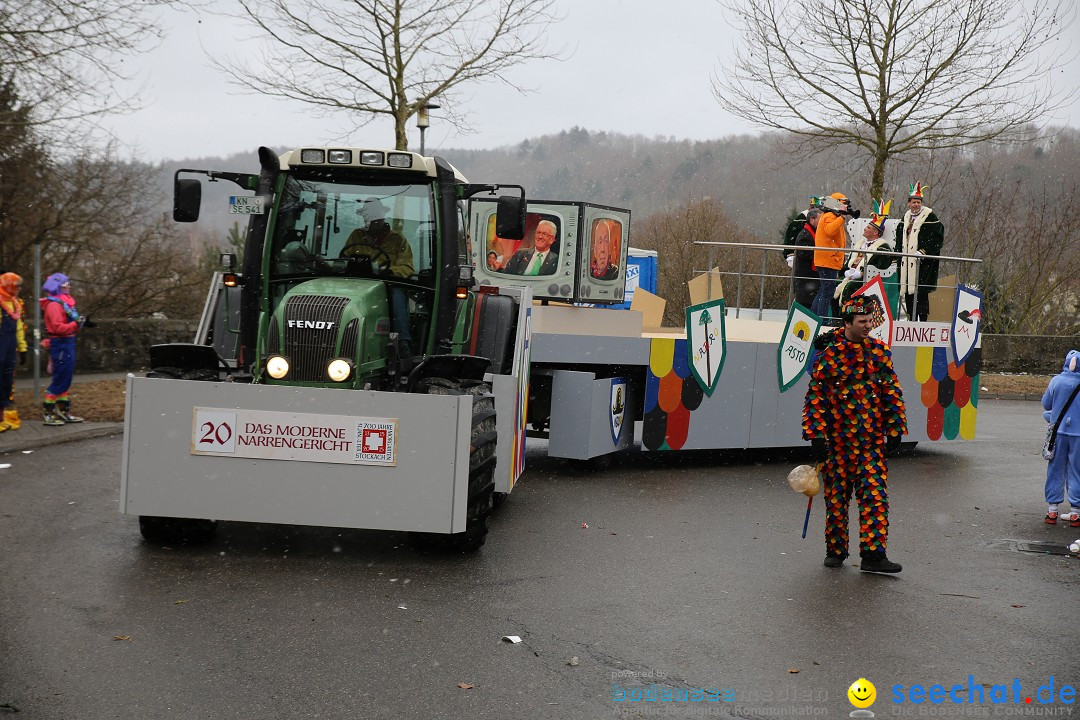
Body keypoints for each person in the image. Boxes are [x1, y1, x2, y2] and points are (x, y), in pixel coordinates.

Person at [803, 294, 907, 572]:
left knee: (875, 497)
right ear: (847, 322)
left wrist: (895, 428)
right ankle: (835, 550)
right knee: (837, 498)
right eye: (862, 321)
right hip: (837, 442)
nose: (868, 325)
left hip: (871, 442)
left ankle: (873, 556)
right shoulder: (829, 353)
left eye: (870, 320)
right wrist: (816, 435)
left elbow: (891, 391)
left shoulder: (879, 351)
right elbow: (816, 397)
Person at [833, 198, 900, 316]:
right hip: (851, 275)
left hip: (868, 279)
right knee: (832, 284)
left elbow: (881, 266)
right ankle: (835, 318)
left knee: (850, 287)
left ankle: (848, 318)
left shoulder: (883, 248)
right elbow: (849, 262)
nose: (864, 229)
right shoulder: (860, 244)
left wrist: (862, 273)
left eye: (868, 228)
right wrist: (847, 271)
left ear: (875, 232)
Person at [40, 273, 86, 425]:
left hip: (67, 342)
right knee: (60, 377)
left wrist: (77, 325)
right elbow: (58, 327)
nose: (69, 286)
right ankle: (48, 413)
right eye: (66, 284)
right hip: (60, 343)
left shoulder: (62, 304)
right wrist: (75, 325)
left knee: (66, 377)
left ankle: (63, 411)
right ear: (58, 286)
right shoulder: (54, 305)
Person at [1041, 350, 1080, 527]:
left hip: (1058, 433)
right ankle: (1075, 513)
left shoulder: (1056, 381)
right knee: (1076, 471)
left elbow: (1047, 404)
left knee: (1055, 469)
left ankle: (1052, 510)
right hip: (1078, 435)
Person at [895, 182, 944, 322]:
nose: (916, 205)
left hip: (923, 262)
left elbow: (937, 239)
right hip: (906, 262)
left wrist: (924, 251)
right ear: (908, 203)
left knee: (921, 293)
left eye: (918, 202)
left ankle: (923, 321)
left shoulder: (930, 218)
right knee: (908, 292)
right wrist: (896, 255)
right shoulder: (905, 218)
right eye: (913, 202)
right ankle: (911, 319)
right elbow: (899, 238)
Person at [810, 192, 854, 321]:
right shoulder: (830, 216)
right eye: (843, 203)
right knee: (827, 292)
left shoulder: (829, 215)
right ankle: (822, 320)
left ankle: (814, 317)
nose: (845, 206)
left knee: (824, 291)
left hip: (828, 260)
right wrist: (842, 217)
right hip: (828, 260)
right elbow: (830, 230)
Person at [0, 272, 27, 433]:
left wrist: (22, 348)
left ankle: (2, 419)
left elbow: (18, 329)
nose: (19, 289)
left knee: (6, 383)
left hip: (9, 348)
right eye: (16, 286)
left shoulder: (14, 303)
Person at [788, 207, 822, 308]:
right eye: (819, 220)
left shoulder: (809, 233)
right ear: (812, 220)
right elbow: (804, 254)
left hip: (809, 279)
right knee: (805, 306)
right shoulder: (805, 235)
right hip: (806, 279)